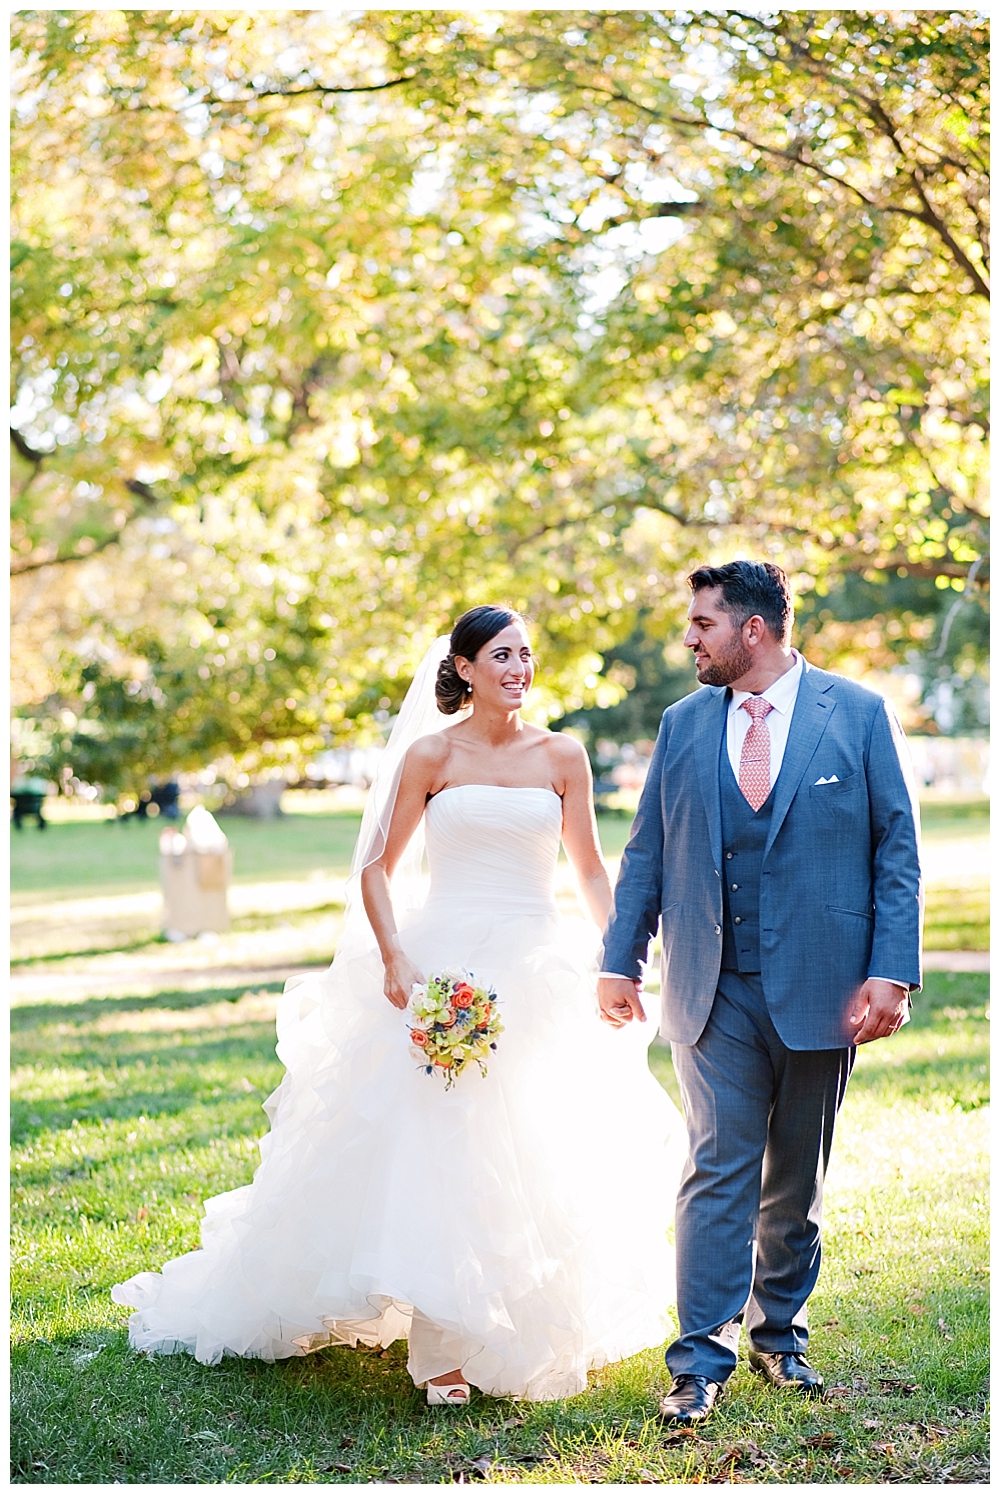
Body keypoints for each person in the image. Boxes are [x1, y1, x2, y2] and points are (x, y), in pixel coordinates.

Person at [113, 606, 684, 1404]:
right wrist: (395, 957)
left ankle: (514, 1314)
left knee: (530, 1139)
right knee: (440, 1141)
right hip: (440, 966)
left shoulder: (563, 755)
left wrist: (619, 954)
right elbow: (377, 867)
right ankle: (441, 1350)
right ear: (464, 667)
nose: (519, 668)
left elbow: (589, 870)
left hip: (533, 962)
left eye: (526, 655)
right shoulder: (430, 754)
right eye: (501, 655)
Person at [598, 561, 922, 1427]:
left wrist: (893, 969)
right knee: (716, 1168)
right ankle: (699, 1360)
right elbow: (647, 853)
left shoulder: (855, 714)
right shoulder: (681, 724)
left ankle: (779, 1335)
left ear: (753, 629)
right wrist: (619, 959)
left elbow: (897, 849)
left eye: (703, 624)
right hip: (710, 986)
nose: (689, 639)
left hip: (826, 986)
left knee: (795, 1178)